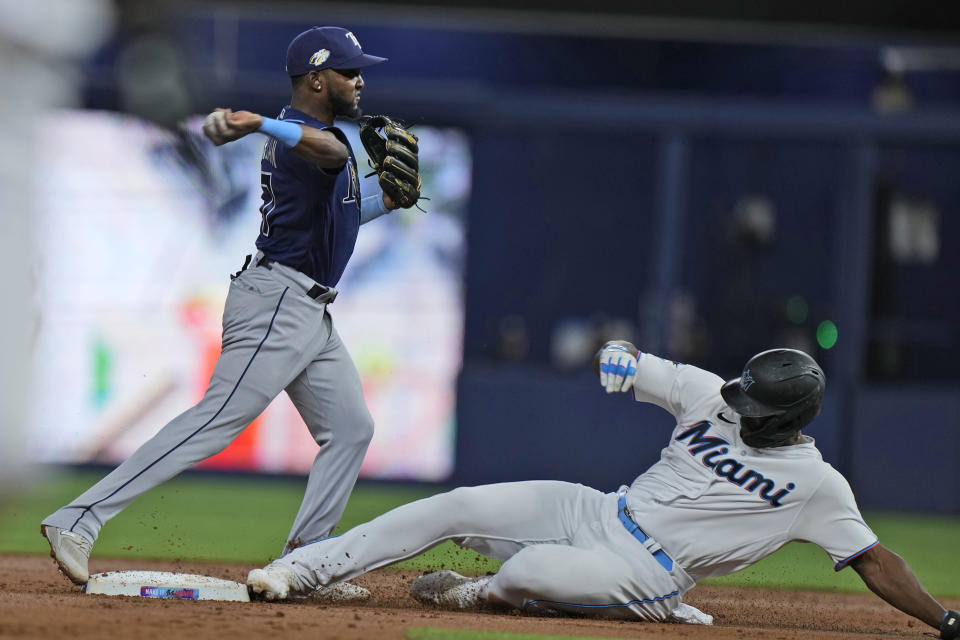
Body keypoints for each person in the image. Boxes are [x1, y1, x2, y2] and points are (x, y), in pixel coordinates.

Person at [41, 26, 413, 601]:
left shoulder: (315, 142)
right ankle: (79, 517)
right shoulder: (309, 140)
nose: (360, 80)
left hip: (309, 312)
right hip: (277, 303)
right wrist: (261, 122)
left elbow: (339, 215)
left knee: (351, 429)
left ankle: (306, 559)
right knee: (217, 420)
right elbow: (333, 153)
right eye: (349, 70)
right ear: (316, 79)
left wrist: (387, 201)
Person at [246, 343, 959, 638]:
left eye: (752, 408)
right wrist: (618, 360)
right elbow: (628, 359)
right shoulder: (712, 393)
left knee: (525, 572)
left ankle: (483, 593)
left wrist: (945, 621)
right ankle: (304, 569)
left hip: (648, 572)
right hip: (599, 508)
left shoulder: (817, 487)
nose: (735, 407)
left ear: (788, 420)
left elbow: (874, 559)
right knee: (456, 505)